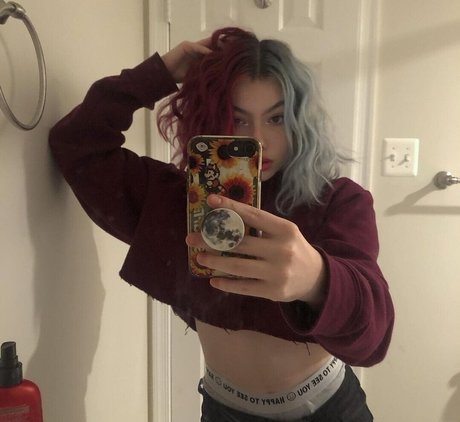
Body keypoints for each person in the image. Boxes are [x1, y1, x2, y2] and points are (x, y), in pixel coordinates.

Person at [49, 27, 394, 421]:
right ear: (211, 118)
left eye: (277, 118)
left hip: (329, 410)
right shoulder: (173, 202)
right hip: (223, 410)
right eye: (238, 119)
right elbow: (77, 143)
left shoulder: (336, 201)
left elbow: (374, 336)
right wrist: (158, 73)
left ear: (300, 121)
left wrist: (317, 279)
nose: (259, 140)